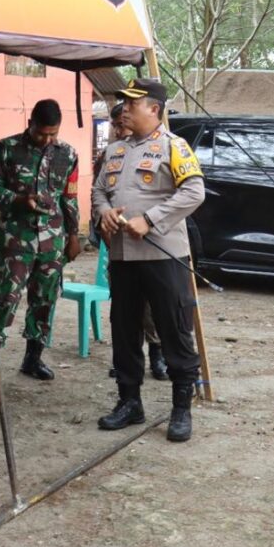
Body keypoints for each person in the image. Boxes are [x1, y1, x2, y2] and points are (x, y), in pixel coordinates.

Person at [93, 78, 205, 442]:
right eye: (123, 102)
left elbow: (194, 192)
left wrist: (152, 218)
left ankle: (181, 408)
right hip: (123, 257)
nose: (124, 108)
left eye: (132, 103)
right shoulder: (114, 151)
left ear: (154, 109)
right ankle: (129, 401)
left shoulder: (175, 147)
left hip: (163, 256)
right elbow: (97, 191)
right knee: (124, 330)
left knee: (174, 329)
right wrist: (105, 212)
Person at [0, 99, 80, 387]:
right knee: (4, 298)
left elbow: (69, 197)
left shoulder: (68, 153)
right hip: (17, 240)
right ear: (30, 123)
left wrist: (73, 235)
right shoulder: (7, 148)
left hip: (52, 241)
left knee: (44, 300)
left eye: (53, 134)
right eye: (41, 133)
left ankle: (33, 358)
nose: (47, 139)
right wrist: (18, 200)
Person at [95, 103, 168, 381]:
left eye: (121, 125)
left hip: (150, 243)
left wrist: (148, 221)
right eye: (114, 126)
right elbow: (99, 193)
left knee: (150, 306)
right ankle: (127, 358)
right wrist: (102, 219)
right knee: (123, 309)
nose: (118, 130)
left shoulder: (160, 148)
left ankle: (158, 354)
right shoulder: (110, 155)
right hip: (117, 244)